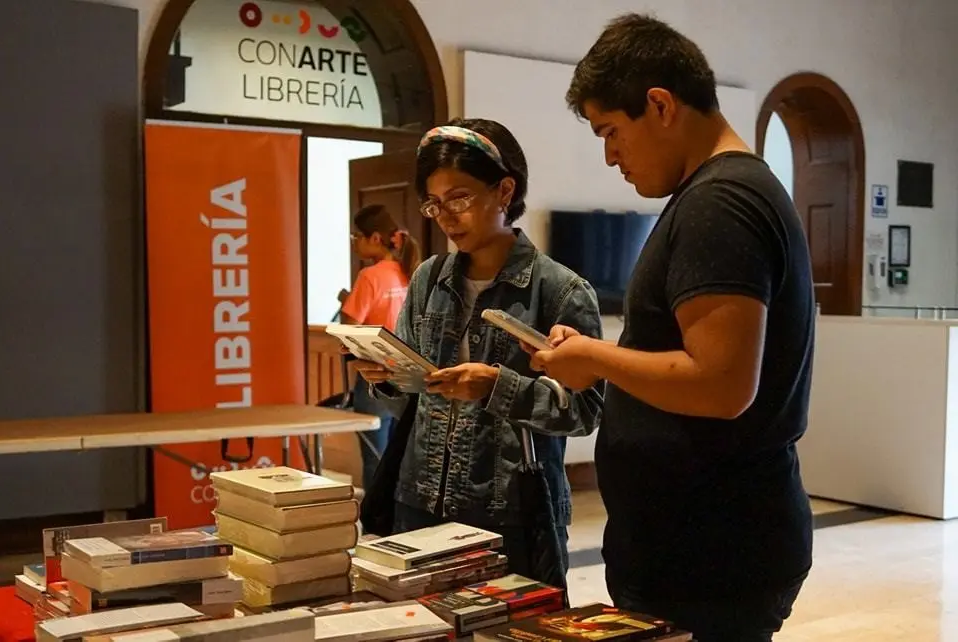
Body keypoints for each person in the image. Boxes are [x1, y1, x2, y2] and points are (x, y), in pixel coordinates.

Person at [528, 13, 816, 642]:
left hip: (712, 556)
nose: (609, 157)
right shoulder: (724, 193)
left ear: (659, 105)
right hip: (702, 548)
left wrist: (597, 358)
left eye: (611, 132)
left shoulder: (721, 203)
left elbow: (720, 384)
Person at [349, 118, 604, 575]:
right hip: (419, 503)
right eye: (434, 204)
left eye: (460, 198)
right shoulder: (429, 277)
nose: (447, 216)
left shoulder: (559, 291)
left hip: (509, 514)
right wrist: (389, 375)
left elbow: (584, 411)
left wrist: (496, 387)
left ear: (505, 191)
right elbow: (411, 402)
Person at [340, 204, 421, 490]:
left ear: (374, 238)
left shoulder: (370, 276)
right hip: (409, 375)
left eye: (356, 237)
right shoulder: (411, 271)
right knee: (404, 456)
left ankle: (377, 524)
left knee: (376, 456)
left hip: (375, 376)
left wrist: (344, 302)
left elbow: (349, 329)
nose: (354, 244)